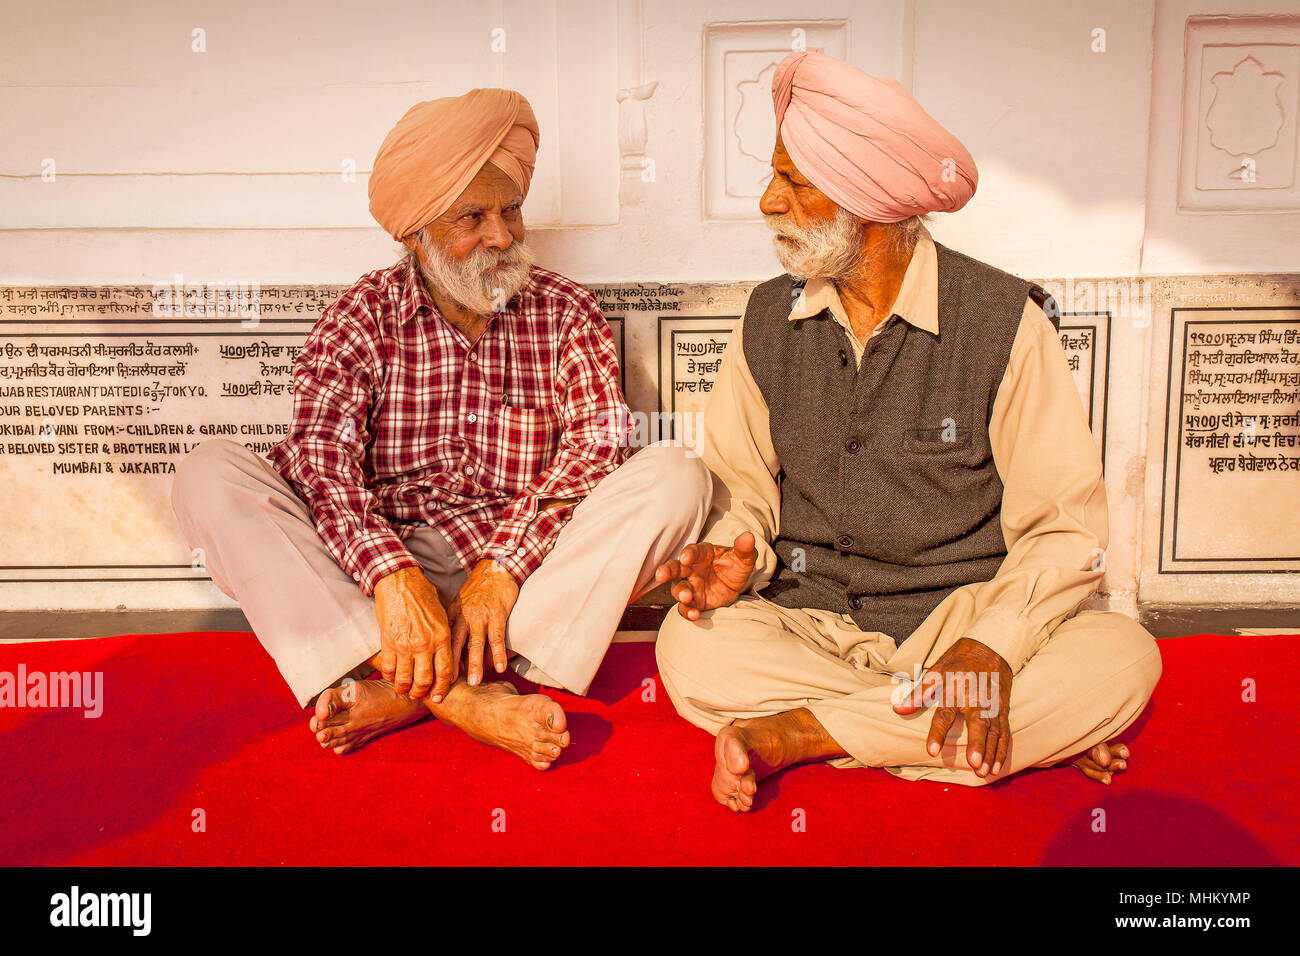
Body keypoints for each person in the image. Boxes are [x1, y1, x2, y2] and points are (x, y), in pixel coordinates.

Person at [654, 50, 1161, 812]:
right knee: (687, 646)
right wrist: (735, 557)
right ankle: (967, 726)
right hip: (812, 627)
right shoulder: (765, 321)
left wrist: (992, 644)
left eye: (793, 181)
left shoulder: (1005, 325)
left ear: (868, 203)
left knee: (1123, 657)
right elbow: (744, 498)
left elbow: (1064, 530)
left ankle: (804, 734)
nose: (767, 201)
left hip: (962, 618)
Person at [172, 88, 710, 768]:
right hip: (382, 583)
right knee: (209, 476)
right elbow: (319, 462)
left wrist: (503, 565)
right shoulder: (361, 317)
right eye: (472, 217)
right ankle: (462, 699)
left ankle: (404, 690)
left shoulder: (566, 312)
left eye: (511, 210)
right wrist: (392, 577)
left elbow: (597, 449)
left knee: (677, 477)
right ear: (415, 233)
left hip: (525, 577)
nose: (503, 236)